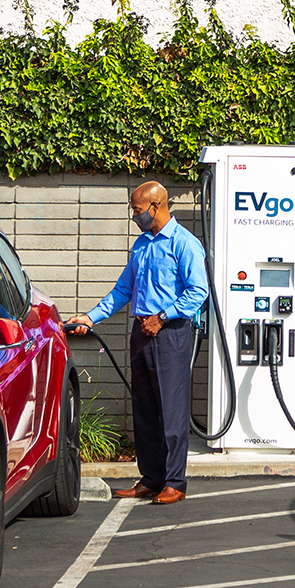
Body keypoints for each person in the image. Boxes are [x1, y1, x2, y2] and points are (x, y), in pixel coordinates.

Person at [66, 181, 208, 505]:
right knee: (145, 410)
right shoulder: (142, 245)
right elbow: (122, 291)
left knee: (171, 411)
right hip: (141, 332)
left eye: (137, 210)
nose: (134, 216)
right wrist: (90, 318)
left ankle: (175, 482)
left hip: (171, 333)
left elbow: (198, 292)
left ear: (156, 207)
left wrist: (163, 316)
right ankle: (151, 478)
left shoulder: (184, 244)